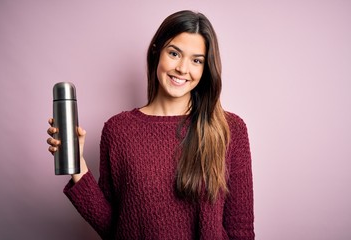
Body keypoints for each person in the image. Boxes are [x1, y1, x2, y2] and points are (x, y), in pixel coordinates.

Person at [47, 10, 255, 240]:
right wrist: (78, 168)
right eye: (174, 53)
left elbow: (240, 230)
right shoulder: (118, 130)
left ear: (206, 69)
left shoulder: (230, 129)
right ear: (157, 51)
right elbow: (115, 227)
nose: (183, 69)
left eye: (196, 60)